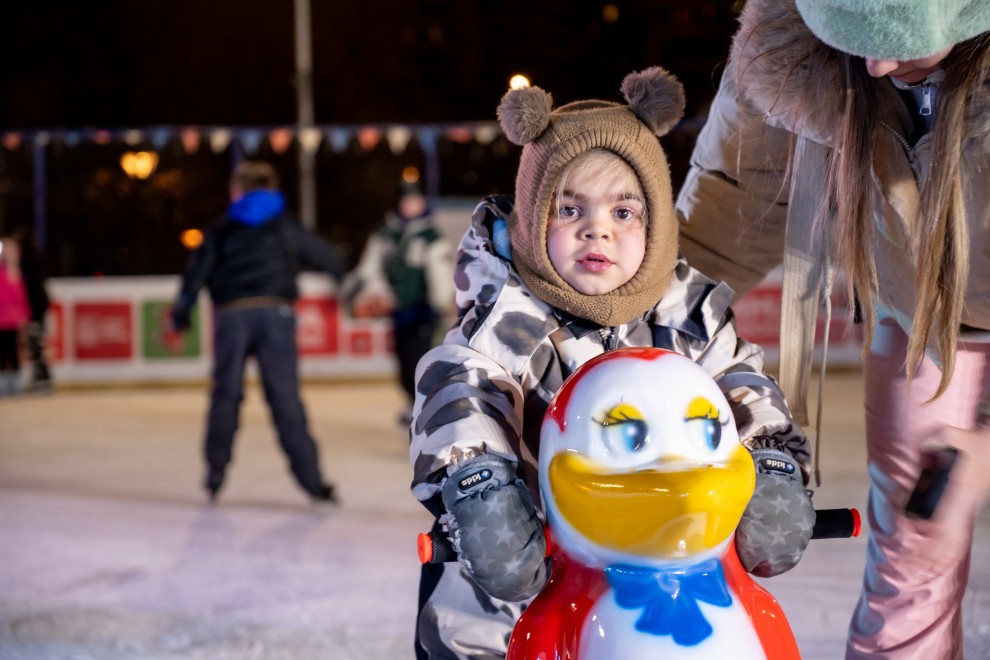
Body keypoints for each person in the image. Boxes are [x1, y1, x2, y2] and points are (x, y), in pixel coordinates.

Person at [409, 67, 815, 660]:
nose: (596, 230)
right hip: (516, 584)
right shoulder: (503, 324)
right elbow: (461, 395)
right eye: (570, 210)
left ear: (655, 225)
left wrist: (771, 462)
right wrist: (482, 490)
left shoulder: (689, 316)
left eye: (623, 213)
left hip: (660, 561)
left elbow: (740, 382)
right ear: (532, 219)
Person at [674, 0, 990, 657]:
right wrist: (631, 322)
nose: (875, 65)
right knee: (914, 545)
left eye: (900, 42)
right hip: (919, 318)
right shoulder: (786, 54)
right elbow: (729, 203)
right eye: (853, 37)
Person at [170, 160, 348, 503]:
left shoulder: (221, 229)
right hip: (275, 313)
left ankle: (215, 473)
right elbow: (327, 257)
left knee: (226, 395)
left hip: (231, 315)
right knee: (285, 398)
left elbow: (195, 274)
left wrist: (181, 314)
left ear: (237, 190)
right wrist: (345, 276)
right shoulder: (284, 226)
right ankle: (314, 482)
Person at [347, 180, 454, 425]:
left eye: (416, 200)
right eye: (407, 201)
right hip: (398, 312)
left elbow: (440, 273)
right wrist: (375, 293)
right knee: (403, 363)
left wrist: (441, 302)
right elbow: (370, 270)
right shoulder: (386, 235)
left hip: (423, 312)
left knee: (420, 362)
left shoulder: (430, 237)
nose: (412, 205)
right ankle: (413, 403)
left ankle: (425, 410)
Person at [13, 226, 52, 392]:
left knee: (36, 345)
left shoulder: (25, 263)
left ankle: (42, 379)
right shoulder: (36, 260)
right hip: (39, 306)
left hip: (34, 308)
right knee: (37, 344)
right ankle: (42, 378)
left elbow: (27, 290)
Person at [0, 236, 30, 396]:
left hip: (12, 321)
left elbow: (20, 298)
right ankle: (4, 383)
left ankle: (16, 383)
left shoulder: (14, 274)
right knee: (3, 353)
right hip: (2, 321)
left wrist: (23, 317)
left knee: (13, 352)